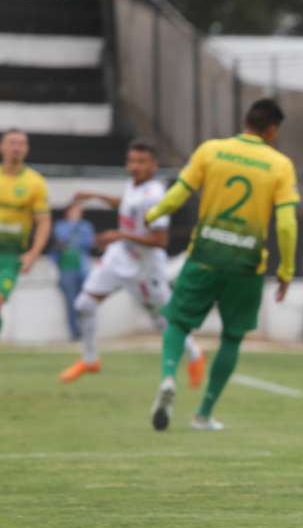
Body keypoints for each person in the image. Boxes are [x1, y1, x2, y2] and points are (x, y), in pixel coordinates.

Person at [144, 99, 299, 432]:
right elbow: (286, 224)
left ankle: (169, 376)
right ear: (272, 130)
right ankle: (203, 413)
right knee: (232, 337)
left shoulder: (211, 151)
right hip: (246, 265)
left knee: (178, 322)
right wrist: (286, 271)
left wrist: (152, 215)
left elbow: (178, 194)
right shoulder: (280, 165)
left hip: (205, 255)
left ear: (245, 120)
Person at [58, 142, 206, 384]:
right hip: (119, 257)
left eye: (141, 161)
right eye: (131, 161)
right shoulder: (133, 185)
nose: (134, 166)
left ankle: (195, 355)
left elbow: (160, 240)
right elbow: (126, 203)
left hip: (145, 268)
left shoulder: (156, 197)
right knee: (84, 304)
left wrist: (120, 235)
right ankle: (90, 359)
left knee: (163, 321)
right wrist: (95, 196)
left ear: (154, 165)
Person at [0, 129, 51, 334]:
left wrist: (33, 253)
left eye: (21, 143)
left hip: (11, 255)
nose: (16, 148)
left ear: (27, 149)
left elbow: (44, 222)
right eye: (12, 142)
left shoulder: (35, 182)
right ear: (2, 146)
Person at [50, 203, 95, 340]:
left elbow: (88, 242)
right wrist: (73, 229)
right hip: (66, 269)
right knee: (71, 302)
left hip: (83, 267)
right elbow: (61, 239)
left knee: (86, 301)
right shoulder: (60, 225)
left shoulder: (86, 226)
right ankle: (75, 333)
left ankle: (87, 331)